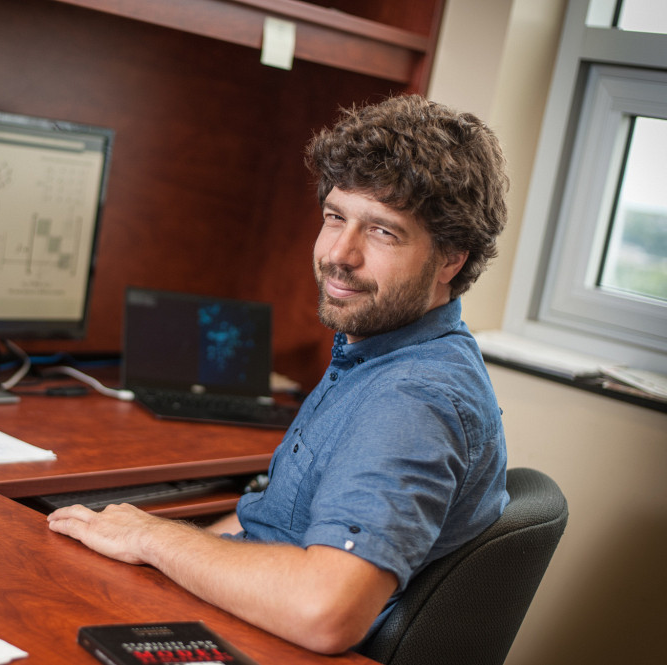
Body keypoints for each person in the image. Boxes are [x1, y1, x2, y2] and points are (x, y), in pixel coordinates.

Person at [47, 95, 510, 655]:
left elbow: (325, 613)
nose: (340, 254)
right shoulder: (378, 353)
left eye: (383, 232)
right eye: (335, 217)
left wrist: (152, 534)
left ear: (450, 259)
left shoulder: (411, 400)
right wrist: (152, 541)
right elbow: (265, 528)